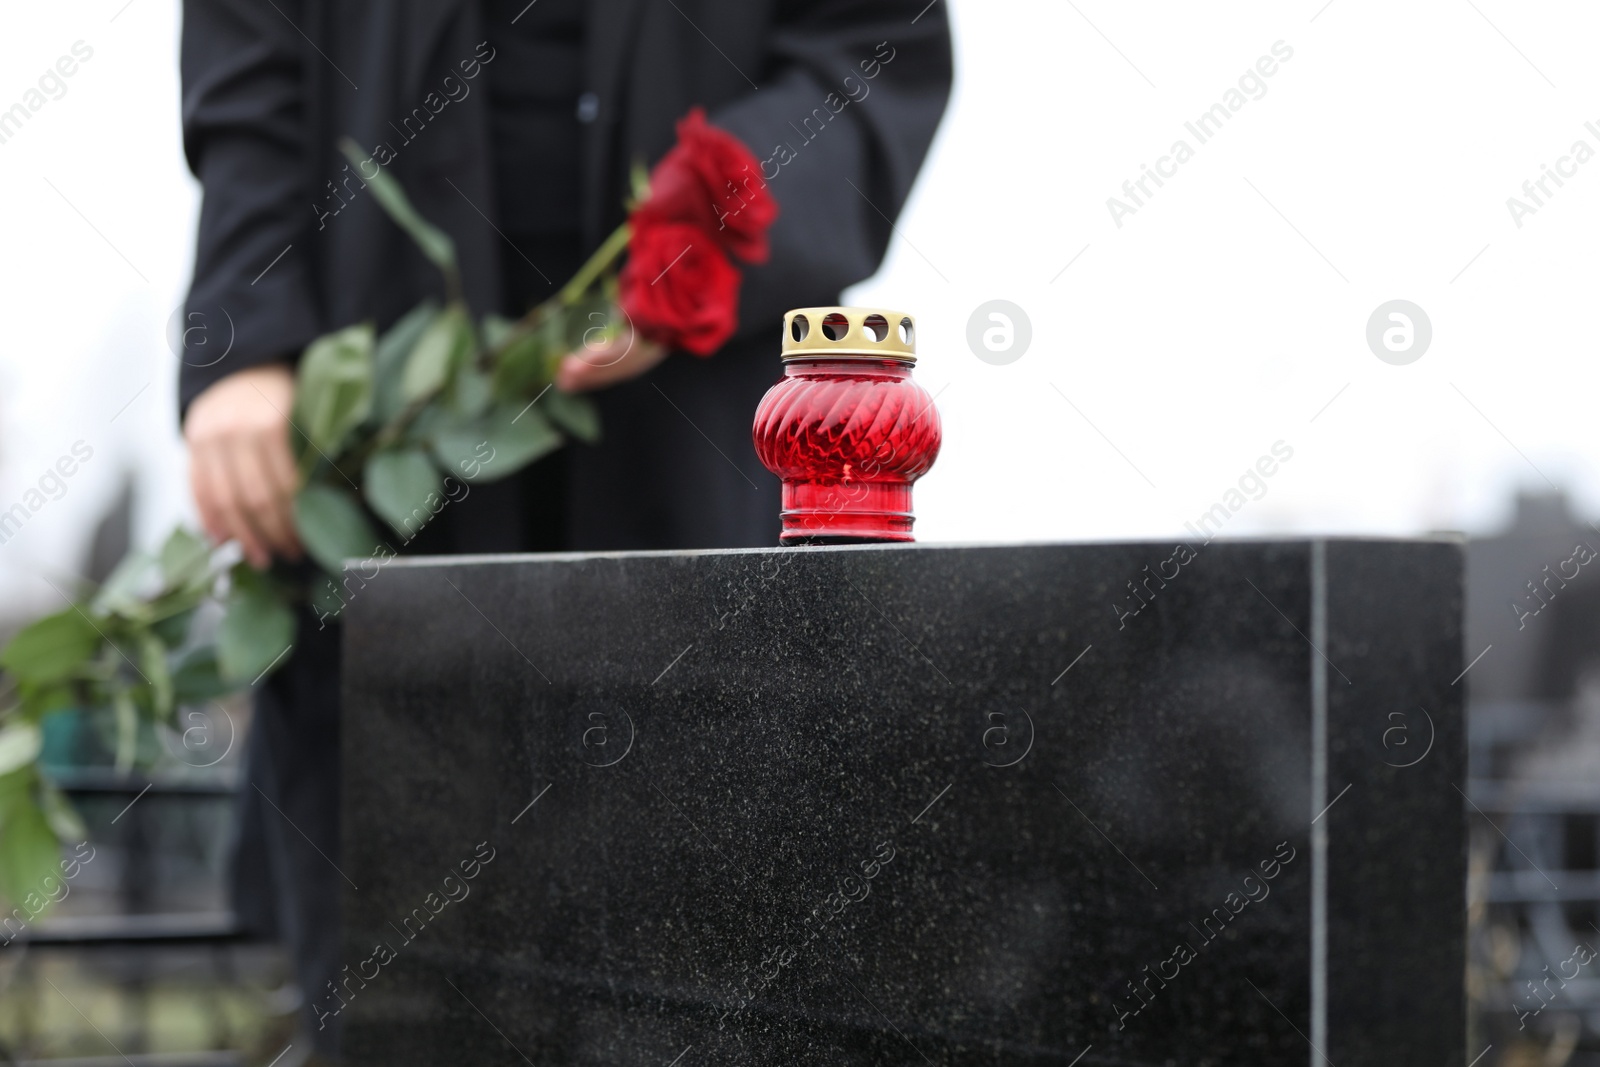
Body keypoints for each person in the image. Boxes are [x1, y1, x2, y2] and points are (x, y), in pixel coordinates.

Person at [176, 0, 950, 1057]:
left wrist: (722, 215)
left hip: (687, 476)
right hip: (381, 469)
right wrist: (244, 331)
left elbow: (868, 52)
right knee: (404, 995)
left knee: (698, 988)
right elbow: (253, 61)